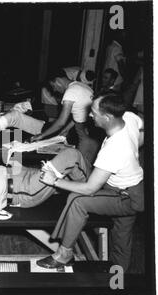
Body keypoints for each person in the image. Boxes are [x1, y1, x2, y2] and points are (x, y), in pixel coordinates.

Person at [36, 94, 144, 272]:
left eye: (93, 112)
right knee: (121, 239)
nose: (90, 115)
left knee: (78, 201)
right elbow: (144, 127)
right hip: (126, 185)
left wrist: (54, 181)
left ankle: (65, 254)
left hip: (126, 196)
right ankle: (118, 283)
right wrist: (134, 151)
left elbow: (89, 188)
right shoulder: (128, 117)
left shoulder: (115, 149)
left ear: (107, 117)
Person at [33, 72, 99, 164]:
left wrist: (41, 135)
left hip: (84, 135)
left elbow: (61, 122)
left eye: (54, 87)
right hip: (92, 132)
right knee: (85, 165)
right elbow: (80, 112)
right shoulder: (81, 85)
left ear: (57, 81)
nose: (56, 90)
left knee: (79, 166)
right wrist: (67, 129)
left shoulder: (70, 92)